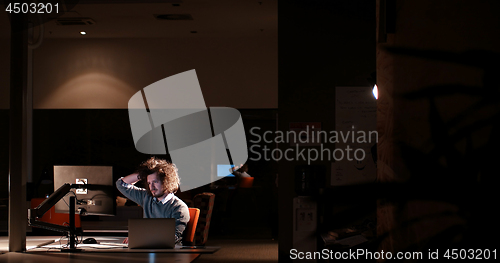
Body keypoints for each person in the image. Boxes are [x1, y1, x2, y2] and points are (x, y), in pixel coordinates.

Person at [116, 157, 190, 245]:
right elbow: (121, 185)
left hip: (169, 254)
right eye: (149, 183)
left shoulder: (179, 207)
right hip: (148, 250)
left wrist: (141, 238)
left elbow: (173, 237)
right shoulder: (147, 197)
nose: (152, 187)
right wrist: (142, 174)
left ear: (167, 181)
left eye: (155, 182)